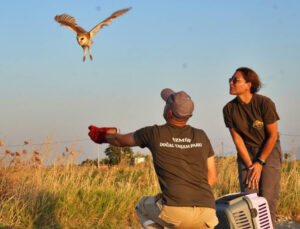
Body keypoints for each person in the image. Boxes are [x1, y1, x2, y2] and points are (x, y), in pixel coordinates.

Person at [88, 88, 219, 229]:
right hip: (207, 212)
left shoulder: (154, 133)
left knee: (142, 206)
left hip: (174, 211)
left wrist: (103, 135)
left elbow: (120, 140)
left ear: (169, 113)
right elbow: (212, 178)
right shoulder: (201, 136)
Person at [223, 67, 282, 227]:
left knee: (267, 200)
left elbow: (273, 135)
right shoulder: (229, 109)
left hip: (268, 151)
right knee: (249, 200)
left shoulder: (264, 103)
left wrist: (260, 163)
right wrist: (250, 165)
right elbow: (237, 139)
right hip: (246, 154)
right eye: (231, 79)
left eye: (236, 80)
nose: (231, 82)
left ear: (249, 84)